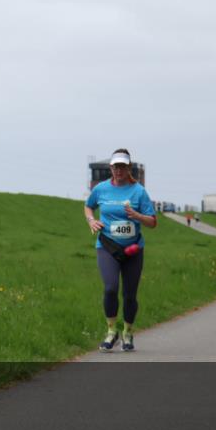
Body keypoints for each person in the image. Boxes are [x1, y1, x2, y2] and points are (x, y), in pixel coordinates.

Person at [84, 149, 157, 352]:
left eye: (123, 167)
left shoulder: (139, 191)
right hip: (107, 245)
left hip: (133, 249)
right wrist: (91, 220)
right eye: (115, 166)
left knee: (130, 294)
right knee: (110, 288)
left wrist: (136, 215)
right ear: (111, 168)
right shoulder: (101, 189)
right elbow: (88, 206)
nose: (119, 170)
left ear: (129, 168)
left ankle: (127, 332)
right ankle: (111, 331)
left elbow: (152, 222)